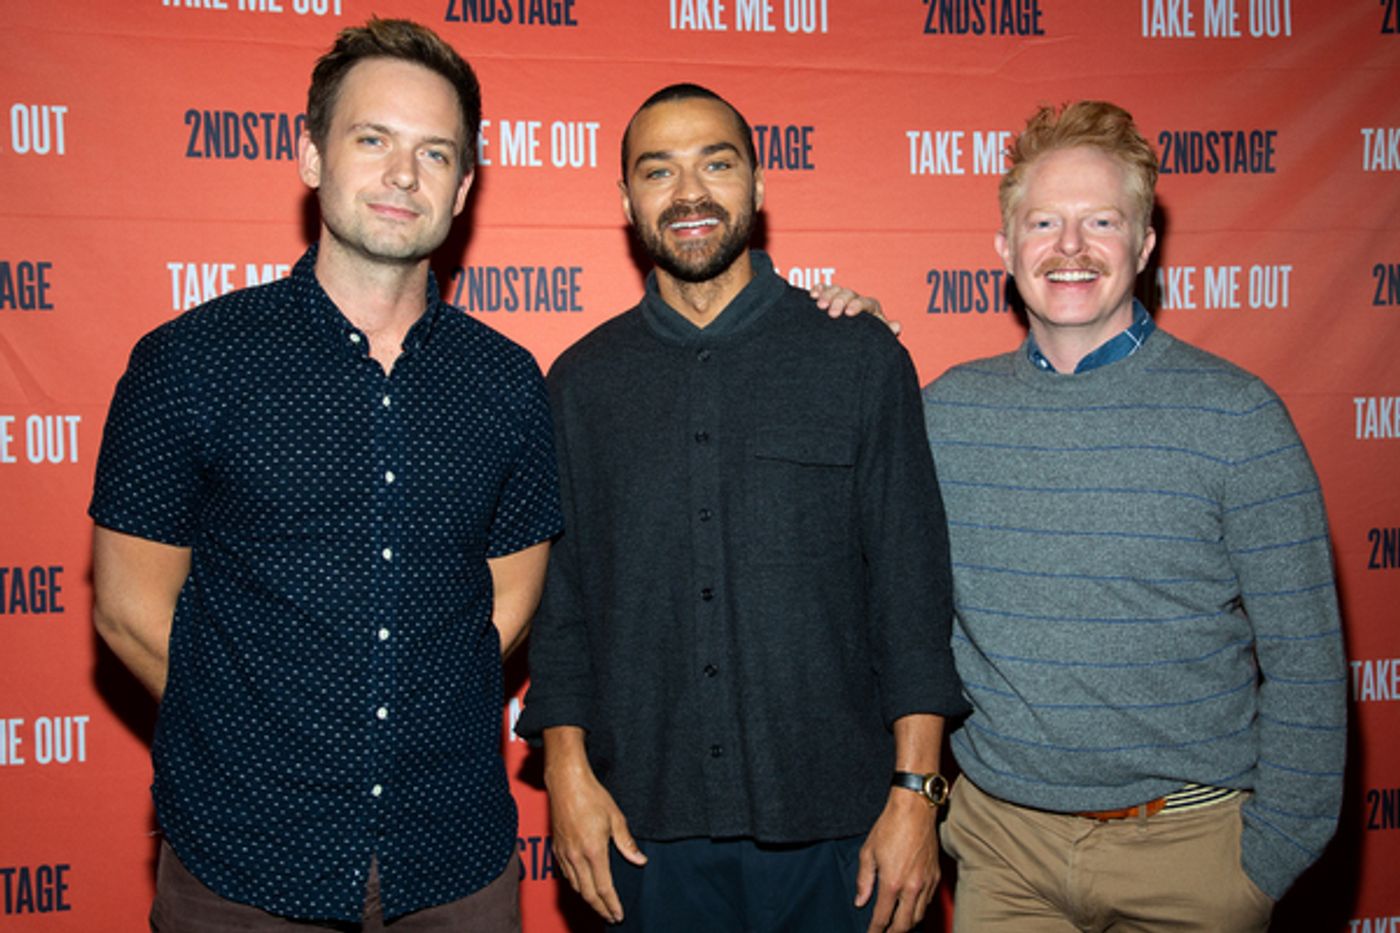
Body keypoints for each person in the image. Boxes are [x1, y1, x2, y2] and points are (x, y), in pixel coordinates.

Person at [89, 19, 563, 930]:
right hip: (242, 860)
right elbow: (128, 608)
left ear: (464, 188)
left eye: (435, 153)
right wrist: (272, 748)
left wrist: (407, 713)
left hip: (454, 858)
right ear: (311, 155)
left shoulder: (507, 383)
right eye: (373, 139)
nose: (403, 174)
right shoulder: (189, 362)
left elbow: (508, 604)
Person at [516, 83, 966, 933]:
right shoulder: (579, 384)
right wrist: (567, 773)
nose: (689, 193)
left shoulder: (857, 357)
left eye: (716, 165)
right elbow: (563, 608)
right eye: (659, 171)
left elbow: (910, 596)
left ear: (759, 185)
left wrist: (916, 792)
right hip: (644, 828)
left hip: (842, 827)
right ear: (626, 200)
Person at [922, 100, 1347, 932]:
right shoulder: (944, 415)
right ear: (1005, 246)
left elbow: (1308, 663)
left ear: (1145, 245)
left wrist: (1267, 860)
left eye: (1101, 221)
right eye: (1044, 221)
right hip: (1004, 855)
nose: (1070, 247)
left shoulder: (1237, 416)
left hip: (1192, 857)